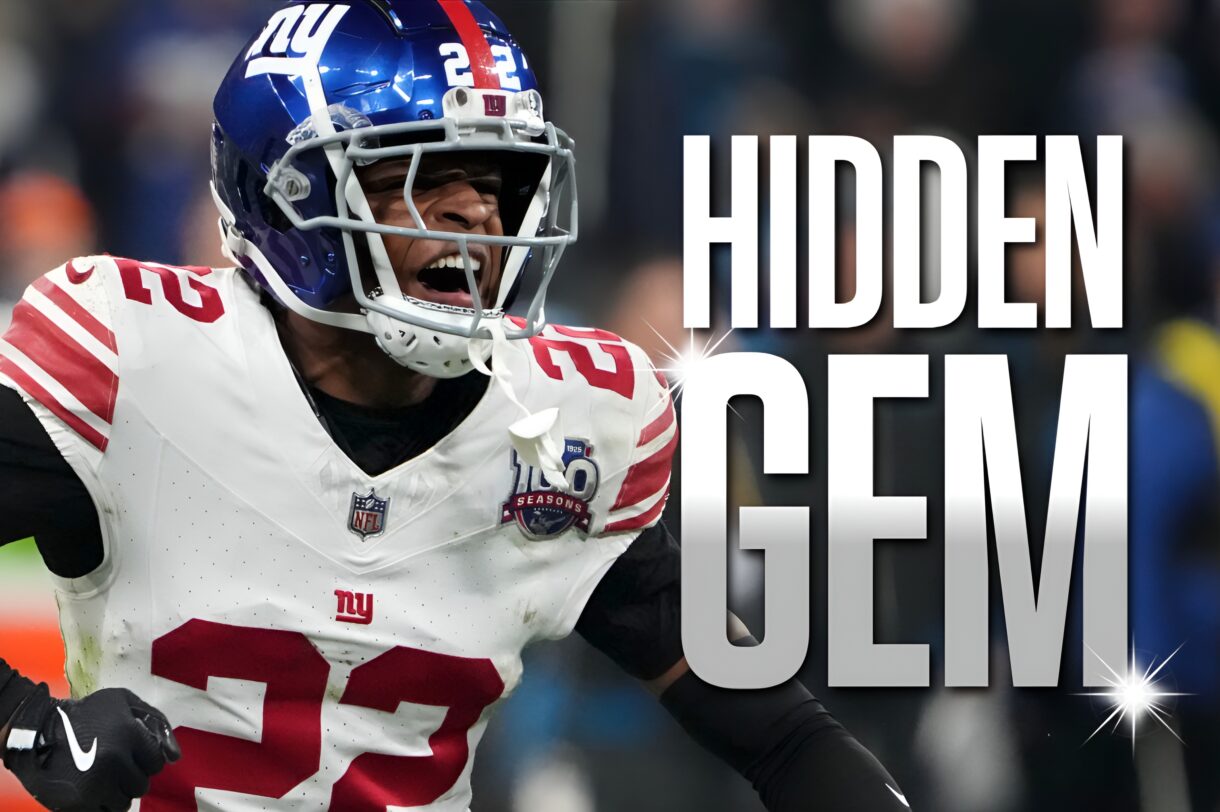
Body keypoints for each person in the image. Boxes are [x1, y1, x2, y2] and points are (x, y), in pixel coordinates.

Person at [0, 2, 908, 809]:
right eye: (422, 176)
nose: (474, 212)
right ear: (290, 193)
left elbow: (781, 736)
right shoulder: (138, 364)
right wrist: (29, 725)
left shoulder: (564, 427)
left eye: (494, 180)